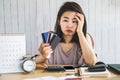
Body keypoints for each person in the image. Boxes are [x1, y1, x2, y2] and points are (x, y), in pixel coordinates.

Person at [35, 1, 97, 68]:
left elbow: (91, 63)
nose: (69, 25)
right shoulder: (53, 38)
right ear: (59, 21)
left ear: (80, 23)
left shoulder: (84, 37)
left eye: (74, 21)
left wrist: (80, 32)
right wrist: (43, 56)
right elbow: (35, 62)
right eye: (65, 20)